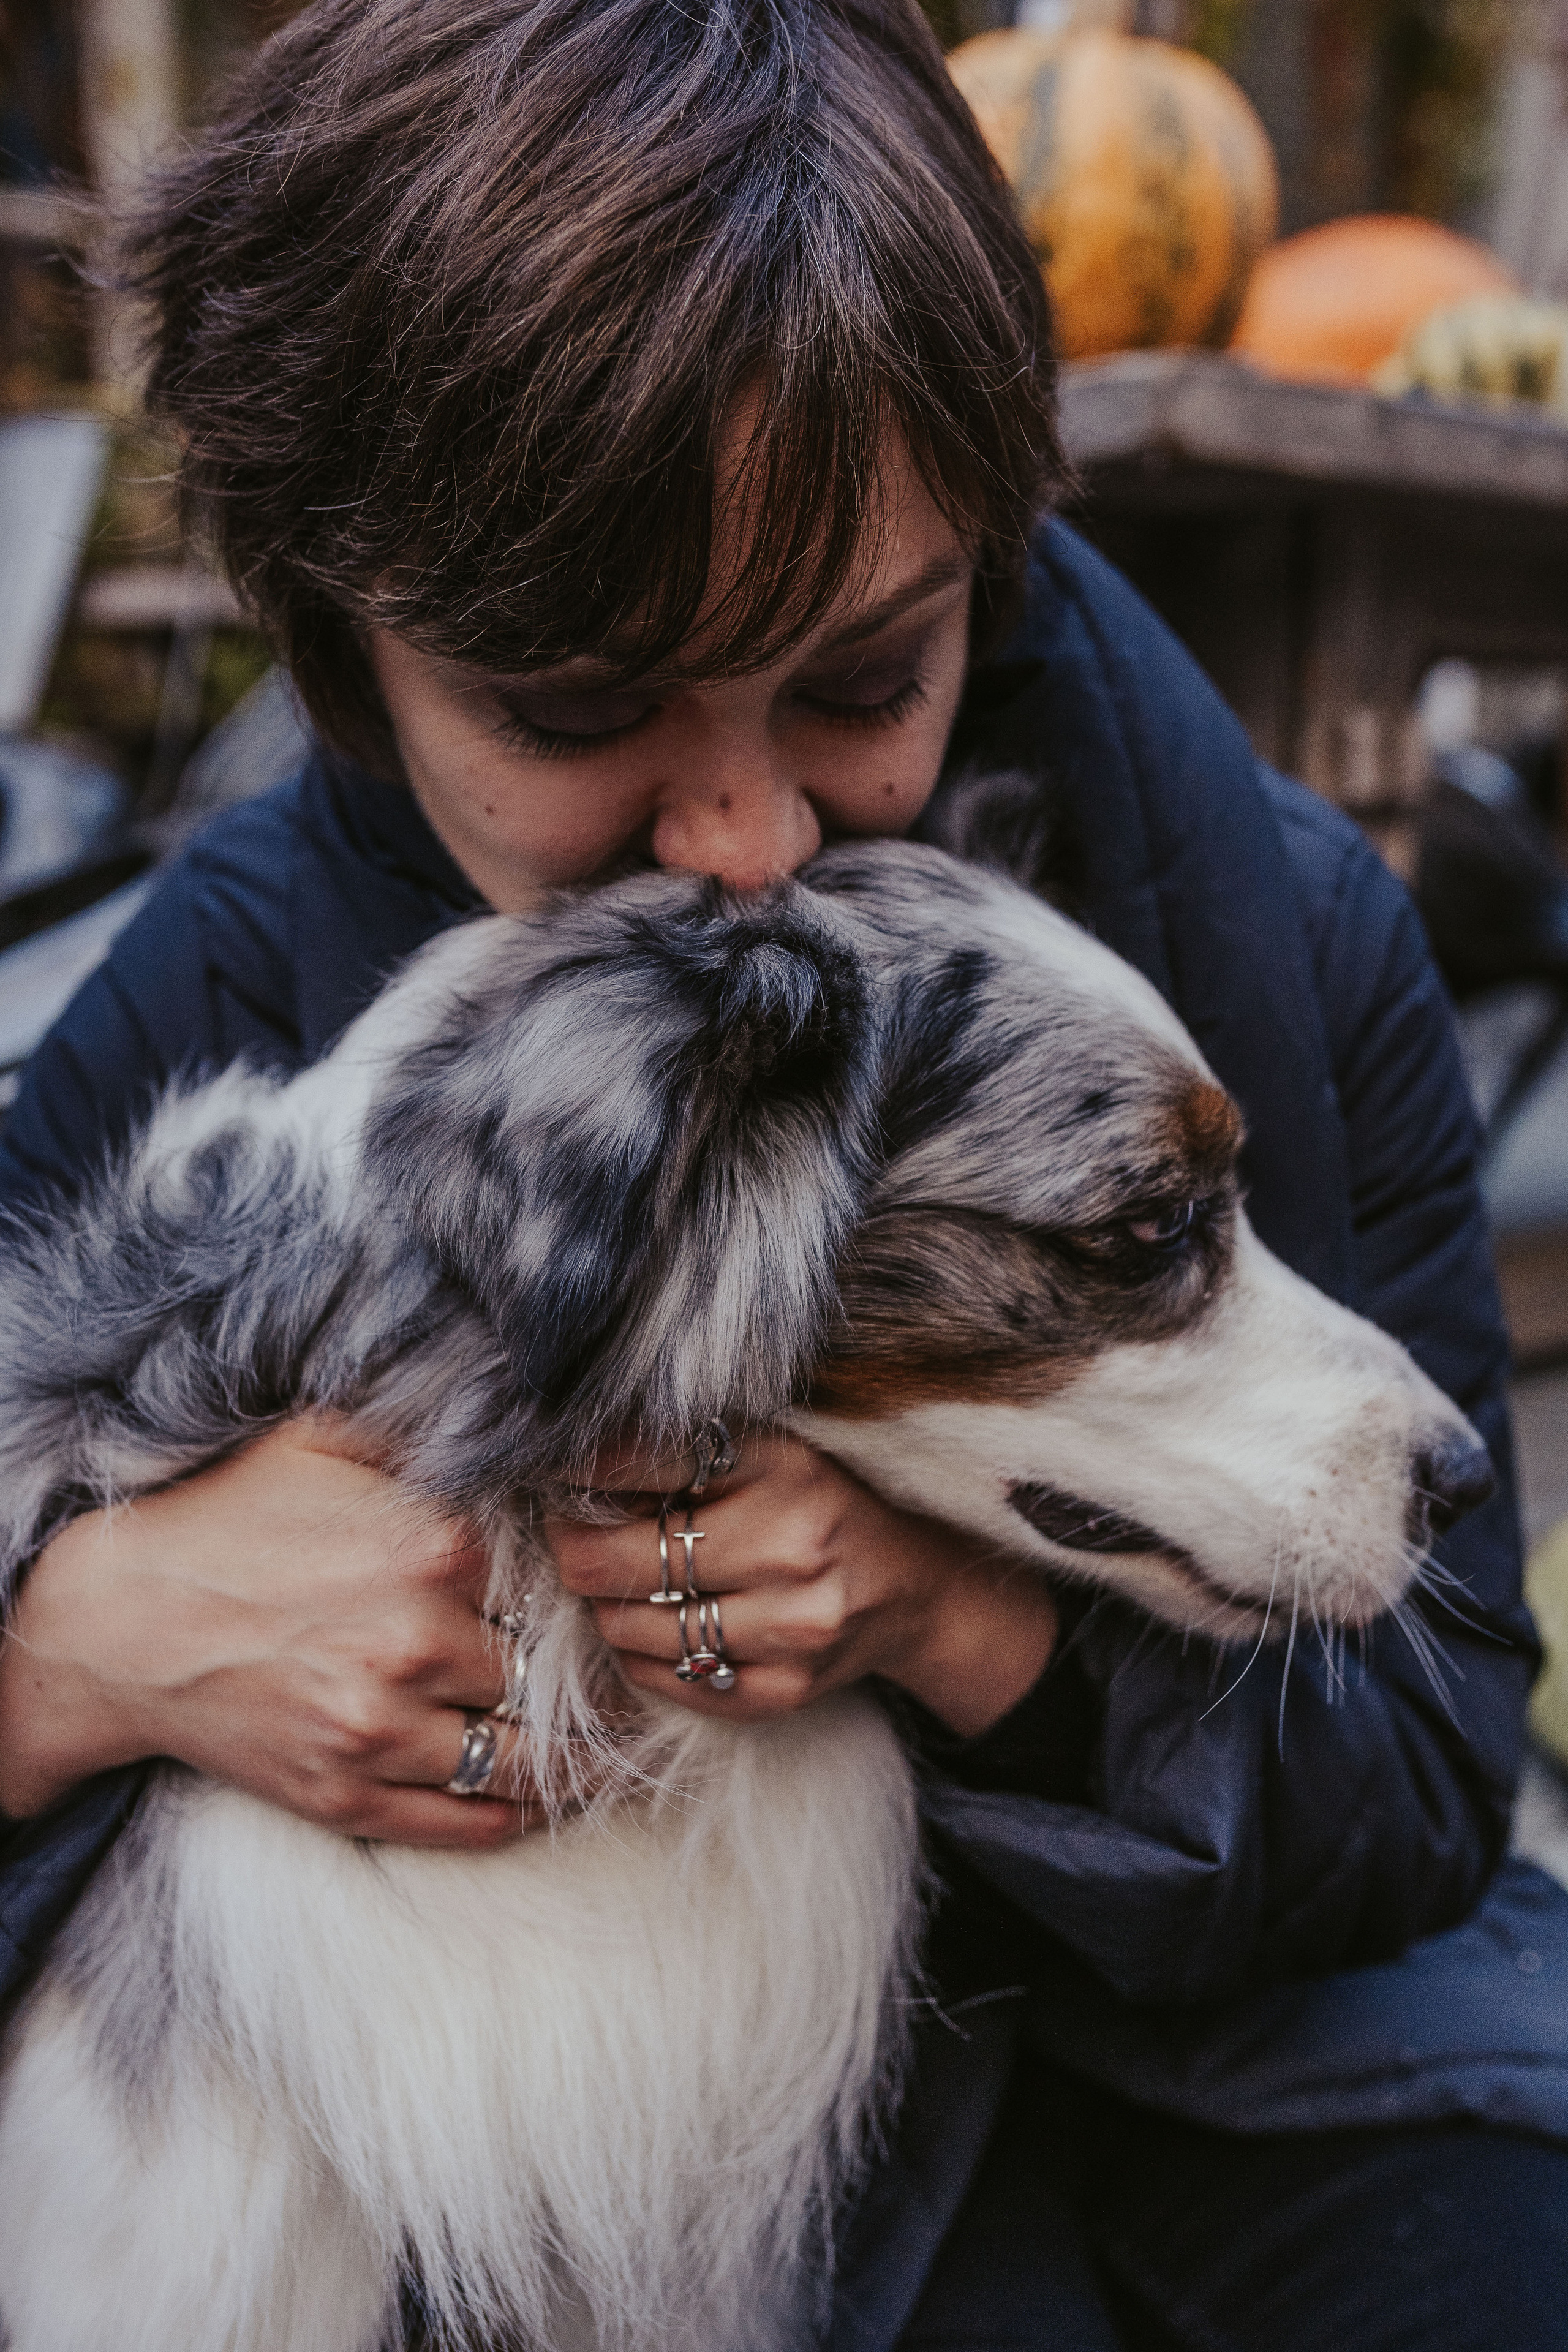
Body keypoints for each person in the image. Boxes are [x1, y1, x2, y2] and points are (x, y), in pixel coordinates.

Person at [1, 1, 1565, 2342]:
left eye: (862, 679)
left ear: (986, 566)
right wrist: (79, 1648)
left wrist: (962, 1625)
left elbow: (1432, 1770)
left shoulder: (1284, 923)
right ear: (341, 642)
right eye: (572, 706)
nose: (744, 842)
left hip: (1137, 2062)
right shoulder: (220, 978)